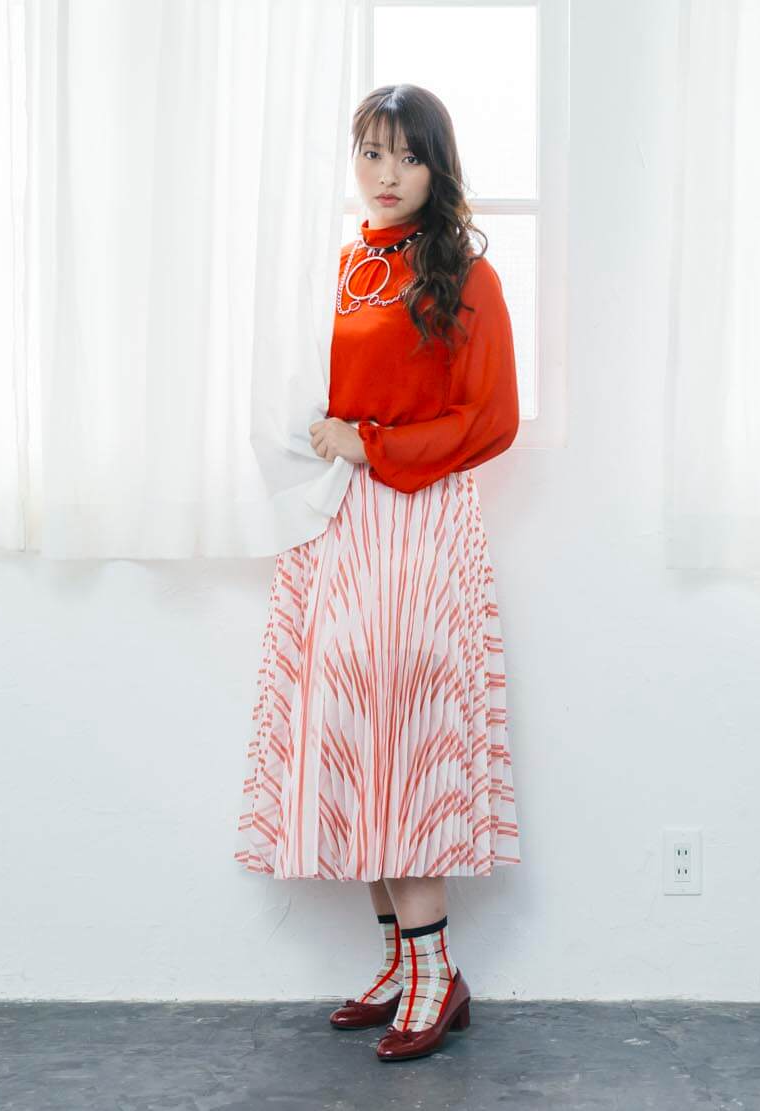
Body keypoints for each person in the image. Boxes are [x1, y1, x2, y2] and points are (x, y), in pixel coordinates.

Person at [234, 83, 523, 1062]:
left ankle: (437, 974)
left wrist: (371, 442)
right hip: (340, 522)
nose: (386, 175)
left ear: (438, 166)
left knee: (409, 733)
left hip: (420, 518)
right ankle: (402, 963)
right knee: (357, 728)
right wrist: (324, 442)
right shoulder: (342, 265)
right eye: (370, 153)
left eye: (406, 155)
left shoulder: (467, 276)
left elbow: (490, 419)